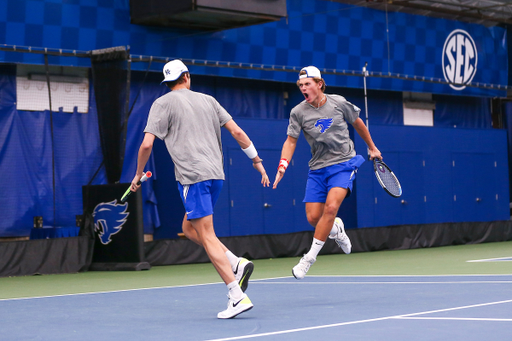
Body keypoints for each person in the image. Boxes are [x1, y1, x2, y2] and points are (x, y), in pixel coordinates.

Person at [130, 59, 270, 319]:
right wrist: (257, 161)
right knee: (188, 228)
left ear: (168, 82)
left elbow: (147, 146)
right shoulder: (209, 100)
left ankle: (236, 295)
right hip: (216, 176)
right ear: (187, 76)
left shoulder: (161, 103)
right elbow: (238, 133)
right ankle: (235, 263)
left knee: (206, 235)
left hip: (192, 177)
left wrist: (137, 175)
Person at [273, 66, 381, 279]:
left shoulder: (338, 103)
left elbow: (358, 123)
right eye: (301, 85)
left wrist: (371, 146)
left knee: (331, 207)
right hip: (317, 168)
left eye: (308, 84)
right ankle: (336, 230)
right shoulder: (298, 112)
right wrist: (282, 165)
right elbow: (290, 141)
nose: (304, 88)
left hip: (344, 163)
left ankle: (308, 259)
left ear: (319, 84)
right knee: (314, 217)